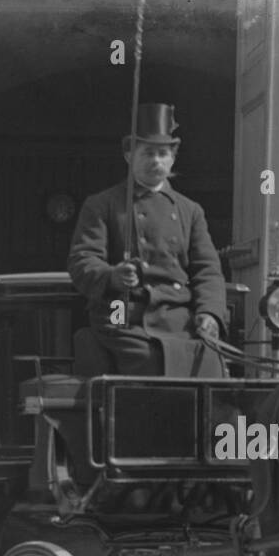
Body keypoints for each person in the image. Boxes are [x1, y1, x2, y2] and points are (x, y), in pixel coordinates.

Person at [68, 103, 227, 376]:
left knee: (211, 363)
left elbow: (207, 270)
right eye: (148, 153)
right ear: (129, 155)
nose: (156, 161)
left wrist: (209, 313)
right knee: (149, 360)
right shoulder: (102, 205)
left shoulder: (190, 210)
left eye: (163, 153)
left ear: (173, 158)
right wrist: (112, 275)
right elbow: (82, 260)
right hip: (122, 315)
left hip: (179, 317)